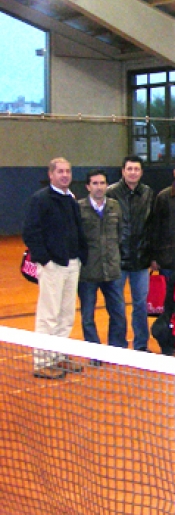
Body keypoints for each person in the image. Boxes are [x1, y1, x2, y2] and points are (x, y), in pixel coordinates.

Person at [23, 158, 88, 379]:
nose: (65, 175)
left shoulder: (71, 199)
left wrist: (80, 256)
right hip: (52, 266)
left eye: (68, 171)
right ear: (51, 174)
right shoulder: (40, 199)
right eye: (60, 171)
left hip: (72, 264)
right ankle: (42, 362)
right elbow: (31, 232)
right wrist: (45, 260)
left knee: (66, 314)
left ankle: (59, 356)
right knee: (48, 315)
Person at [106, 155, 154, 352]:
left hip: (141, 260)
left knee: (141, 305)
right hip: (117, 260)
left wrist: (152, 255)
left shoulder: (148, 193)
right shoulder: (111, 193)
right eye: (129, 169)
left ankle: (141, 344)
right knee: (116, 305)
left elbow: (151, 226)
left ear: (141, 172)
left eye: (137, 169)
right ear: (123, 171)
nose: (133, 172)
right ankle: (117, 345)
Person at [77, 169, 126, 349]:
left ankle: (117, 348)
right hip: (87, 271)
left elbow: (120, 234)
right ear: (88, 186)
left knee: (118, 313)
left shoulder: (115, 206)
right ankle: (94, 351)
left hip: (112, 271)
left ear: (107, 185)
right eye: (95, 183)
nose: (99, 187)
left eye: (102, 183)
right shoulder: (79, 208)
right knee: (88, 315)